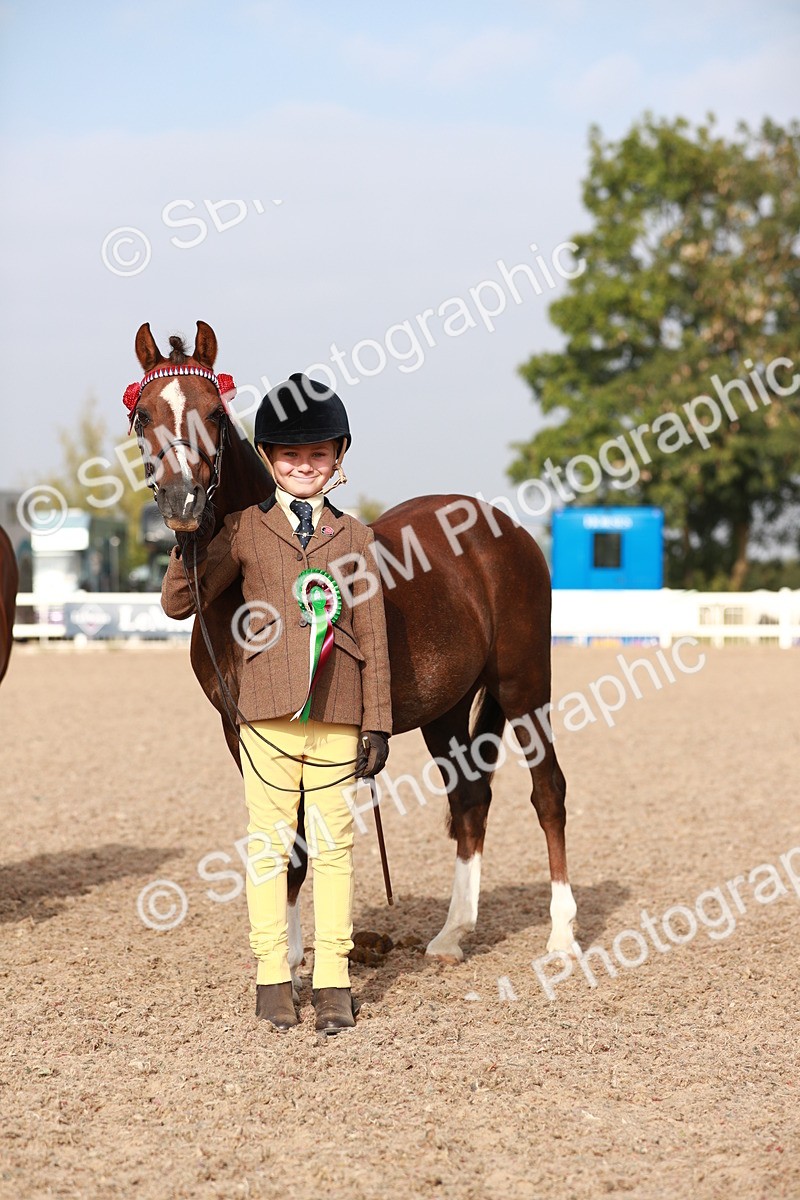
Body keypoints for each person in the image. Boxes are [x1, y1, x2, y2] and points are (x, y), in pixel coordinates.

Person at [160, 373, 392, 1034]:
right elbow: (180, 603)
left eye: (318, 454)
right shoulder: (242, 530)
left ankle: (333, 980)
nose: (303, 466)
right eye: (290, 456)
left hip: (339, 712)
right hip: (263, 715)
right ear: (266, 458)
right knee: (267, 848)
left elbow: (372, 634)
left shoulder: (357, 540)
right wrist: (190, 537)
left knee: (335, 848)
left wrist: (378, 722)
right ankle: (270, 975)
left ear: (338, 459)